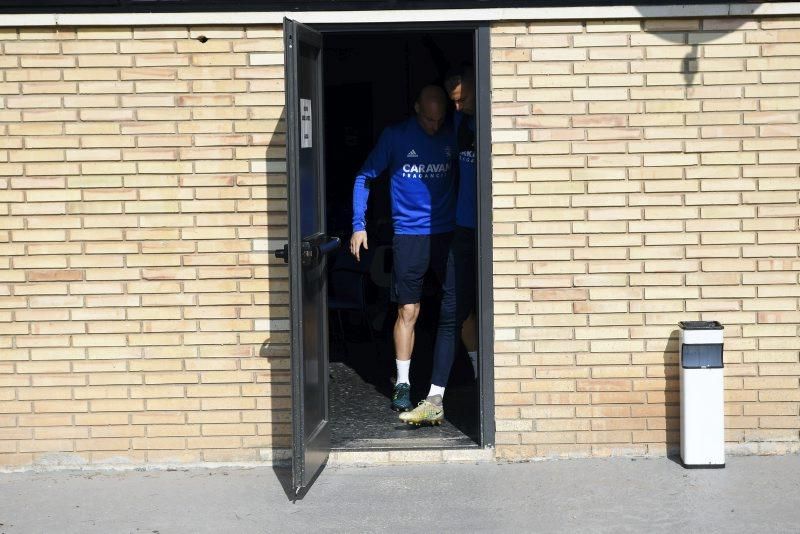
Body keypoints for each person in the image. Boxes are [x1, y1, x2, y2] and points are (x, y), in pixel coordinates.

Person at [350, 85, 456, 413]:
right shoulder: (396, 137)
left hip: (448, 234)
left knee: (458, 311)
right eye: (429, 120)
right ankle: (403, 383)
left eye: (440, 122)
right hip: (409, 235)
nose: (434, 127)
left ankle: (476, 377)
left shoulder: (453, 133)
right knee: (409, 311)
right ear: (416, 109)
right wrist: (358, 224)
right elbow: (364, 177)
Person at [400, 66, 477, 426]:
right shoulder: (459, 126)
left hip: (495, 234)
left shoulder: (490, 119)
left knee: (482, 314)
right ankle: (434, 399)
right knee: (451, 315)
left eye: (463, 99)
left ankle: (481, 386)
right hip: (461, 232)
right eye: (453, 102)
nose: (457, 108)